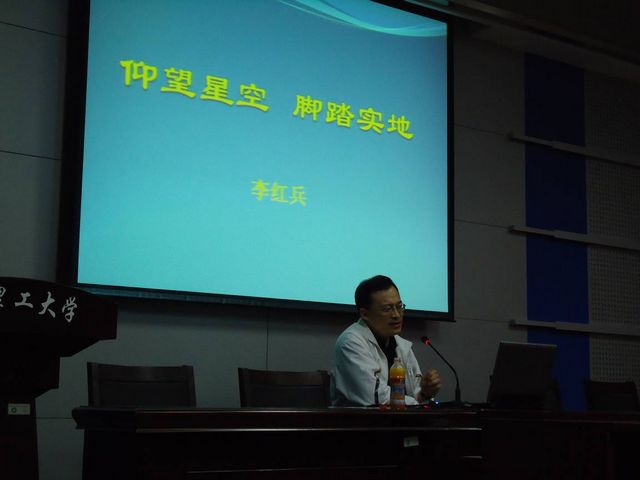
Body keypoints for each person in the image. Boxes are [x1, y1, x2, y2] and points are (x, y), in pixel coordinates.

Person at [331, 275, 441, 406]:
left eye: (399, 306)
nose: (396, 315)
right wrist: (417, 404)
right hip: (360, 419)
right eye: (387, 309)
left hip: (400, 418)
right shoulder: (351, 343)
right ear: (365, 314)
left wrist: (424, 393)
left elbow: (413, 395)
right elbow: (375, 397)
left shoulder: (401, 345)